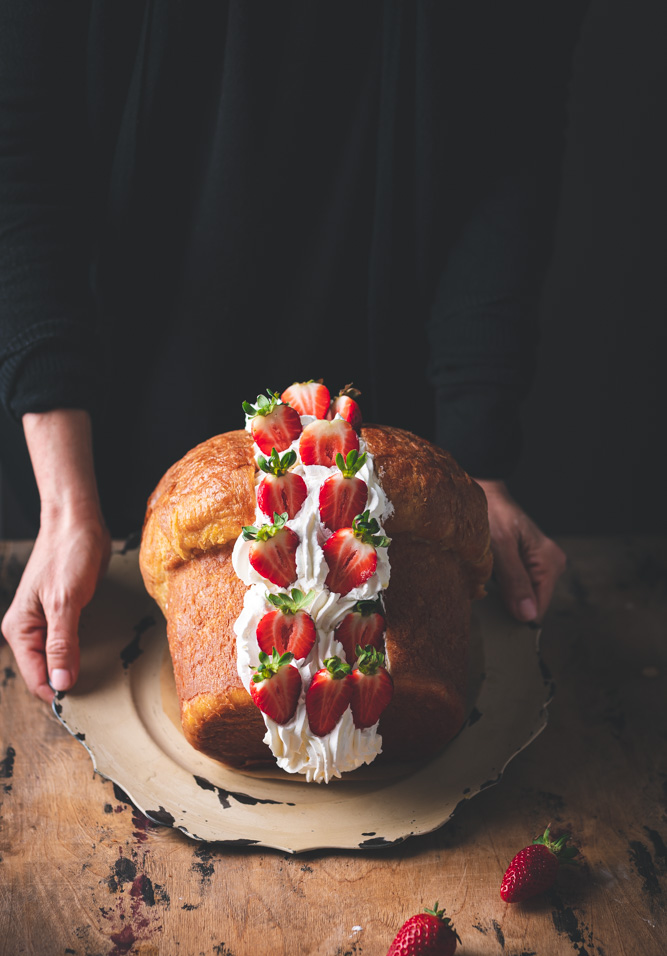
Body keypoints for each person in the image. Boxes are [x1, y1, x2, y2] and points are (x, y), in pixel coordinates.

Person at [0, 2, 583, 702]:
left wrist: (476, 468)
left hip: (392, 418)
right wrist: (66, 502)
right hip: (105, 421)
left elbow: (507, 142)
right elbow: (21, 153)